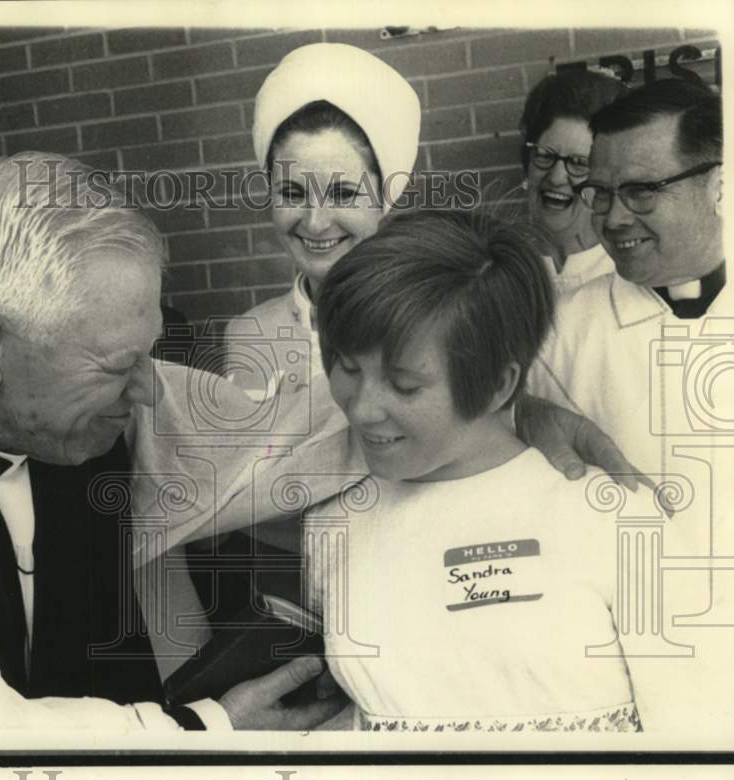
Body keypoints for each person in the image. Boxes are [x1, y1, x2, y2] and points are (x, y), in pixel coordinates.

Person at [0, 151, 350, 733]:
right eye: (116, 367)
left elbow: (301, 437)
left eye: (149, 351)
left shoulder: (103, 388)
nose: (151, 392)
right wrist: (215, 728)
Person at [305, 208, 670, 732]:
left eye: (404, 385)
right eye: (346, 367)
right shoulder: (329, 522)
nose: (362, 408)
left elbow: (693, 740)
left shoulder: (609, 516)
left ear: (499, 385)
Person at [528, 78, 732, 734]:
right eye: (602, 193)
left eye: (642, 190)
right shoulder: (560, 338)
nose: (613, 218)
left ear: (719, 182)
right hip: (652, 694)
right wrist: (520, 413)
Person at [224, 42, 420, 397]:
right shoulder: (250, 333)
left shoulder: (434, 323)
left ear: (384, 198)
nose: (315, 223)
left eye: (343, 193)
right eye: (293, 193)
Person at [518, 70, 628, 293]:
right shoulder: (508, 273)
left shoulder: (630, 275)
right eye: (545, 155)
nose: (557, 178)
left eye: (579, 162)